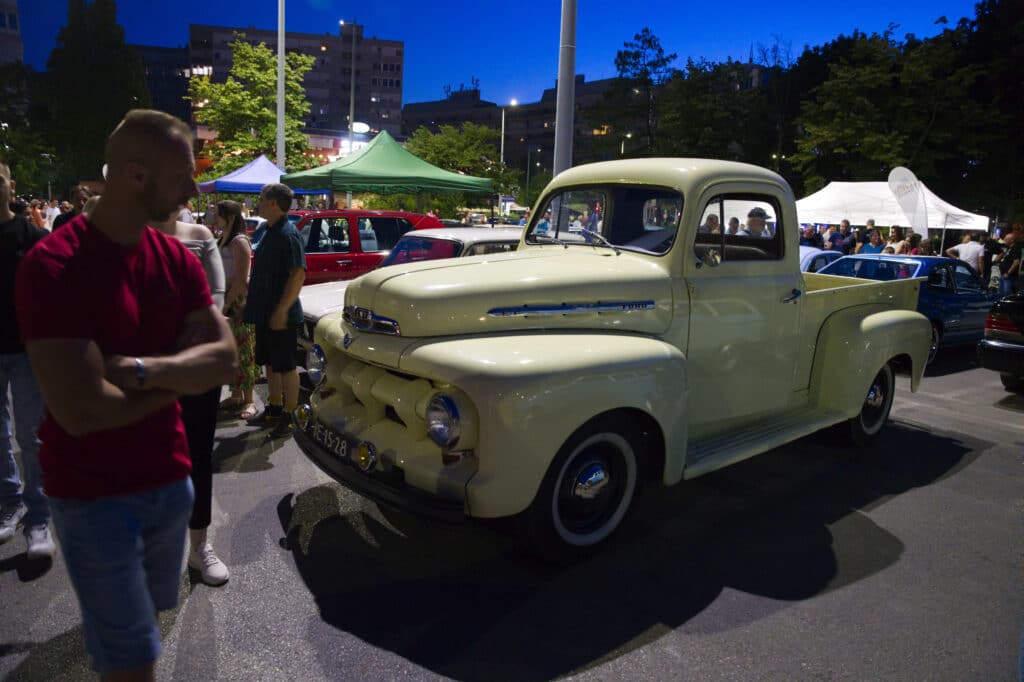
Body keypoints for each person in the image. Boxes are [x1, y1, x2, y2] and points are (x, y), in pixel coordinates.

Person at [14, 109, 237, 681]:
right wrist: (181, 377)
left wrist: (139, 370)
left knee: (149, 617)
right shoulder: (54, 265)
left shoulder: (175, 257)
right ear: (136, 175)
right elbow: (83, 412)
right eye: (184, 176)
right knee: (132, 655)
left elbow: (224, 359)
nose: (194, 191)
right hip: (94, 497)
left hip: (171, 484)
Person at [151, 205, 230, 587]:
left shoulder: (199, 237)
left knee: (197, 456)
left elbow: (216, 299)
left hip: (195, 368)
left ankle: (199, 546)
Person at [0, 161, 53, 559]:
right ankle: (10, 502)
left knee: (31, 437)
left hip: (27, 351)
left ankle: (38, 519)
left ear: (10, 185)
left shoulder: (34, 237)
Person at [243, 183, 306, 439]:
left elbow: (298, 275)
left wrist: (282, 310)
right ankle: (275, 406)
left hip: (282, 315)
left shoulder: (288, 234)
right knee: (270, 362)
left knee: (287, 365)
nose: (257, 203)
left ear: (272, 203)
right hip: (265, 311)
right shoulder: (268, 230)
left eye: (261, 199)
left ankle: (291, 416)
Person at [216, 200, 258, 420]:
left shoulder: (240, 241)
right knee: (232, 351)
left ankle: (249, 400)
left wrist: (226, 305)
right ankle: (236, 394)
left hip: (238, 302)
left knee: (245, 351)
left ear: (230, 217)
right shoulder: (223, 238)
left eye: (218, 214)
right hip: (225, 298)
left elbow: (241, 280)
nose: (214, 219)